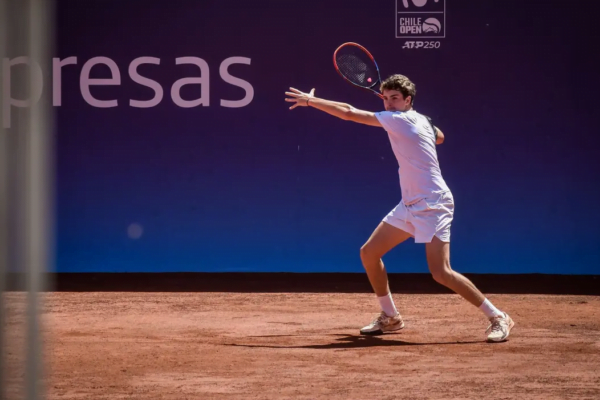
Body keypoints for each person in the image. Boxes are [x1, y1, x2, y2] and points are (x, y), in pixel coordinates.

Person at [284, 74, 514, 342]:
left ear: (408, 100)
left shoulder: (398, 119)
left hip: (433, 203)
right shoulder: (421, 119)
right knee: (369, 253)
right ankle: (390, 316)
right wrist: (413, 121)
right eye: (386, 98)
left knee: (441, 273)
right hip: (410, 203)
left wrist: (312, 101)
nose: (389, 103)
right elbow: (440, 137)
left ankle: (498, 317)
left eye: (395, 98)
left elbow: (348, 112)